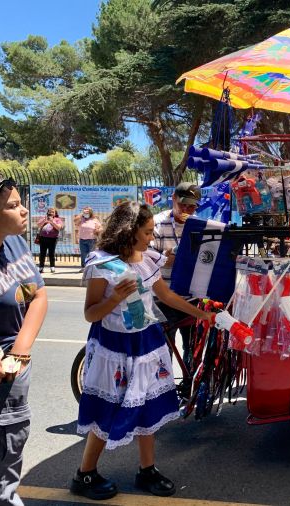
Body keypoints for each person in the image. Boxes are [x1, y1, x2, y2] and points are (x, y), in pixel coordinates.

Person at [70, 202, 215, 501]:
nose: (152, 238)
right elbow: (90, 313)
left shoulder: (147, 259)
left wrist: (201, 314)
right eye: (147, 232)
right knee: (109, 407)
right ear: (129, 231)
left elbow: (165, 295)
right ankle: (84, 474)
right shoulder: (101, 264)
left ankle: (147, 469)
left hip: (146, 342)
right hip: (114, 346)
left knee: (147, 404)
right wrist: (114, 301)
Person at [0, 175, 48, 506]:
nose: (25, 210)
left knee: (13, 438)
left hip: (13, 364)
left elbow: (38, 294)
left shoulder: (15, 242)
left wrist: (20, 351)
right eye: (13, 205)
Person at [151, 183, 202, 355]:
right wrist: (172, 255)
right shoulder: (157, 224)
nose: (186, 209)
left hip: (192, 298)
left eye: (192, 206)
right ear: (173, 198)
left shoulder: (200, 226)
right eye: (183, 204)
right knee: (164, 350)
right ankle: (166, 382)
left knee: (193, 351)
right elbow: (151, 262)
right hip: (164, 298)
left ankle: (190, 382)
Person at [36, 207, 64, 273]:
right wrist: (44, 221)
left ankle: (52, 267)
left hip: (53, 239)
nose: (51, 213)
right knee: (42, 253)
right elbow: (38, 225)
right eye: (49, 211)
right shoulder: (44, 218)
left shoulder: (57, 219)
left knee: (51, 253)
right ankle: (41, 267)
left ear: (55, 213)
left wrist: (52, 222)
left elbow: (58, 228)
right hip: (43, 238)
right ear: (47, 212)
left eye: (52, 212)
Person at [76, 207, 102, 272]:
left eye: (87, 212)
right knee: (83, 254)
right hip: (82, 239)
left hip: (92, 240)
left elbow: (101, 227)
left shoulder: (95, 219)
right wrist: (82, 214)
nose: (86, 213)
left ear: (90, 213)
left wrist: (98, 229)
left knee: (92, 254)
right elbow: (75, 221)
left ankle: (92, 268)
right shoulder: (81, 219)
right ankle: (84, 267)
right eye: (85, 212)